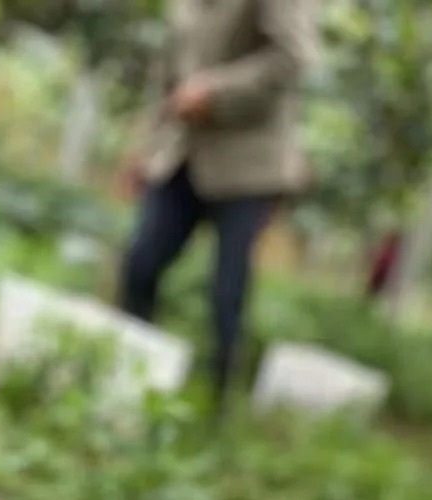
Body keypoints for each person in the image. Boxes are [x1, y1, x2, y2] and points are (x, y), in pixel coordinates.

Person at [119, 0, 318, 401]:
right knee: (140, 264)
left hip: (248, 162)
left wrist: (216, 89)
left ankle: (217, 403)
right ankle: (127, 381)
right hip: (184, 148)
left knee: (226, 290)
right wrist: (148, 143)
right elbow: (170, 69)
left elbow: (293, 56)